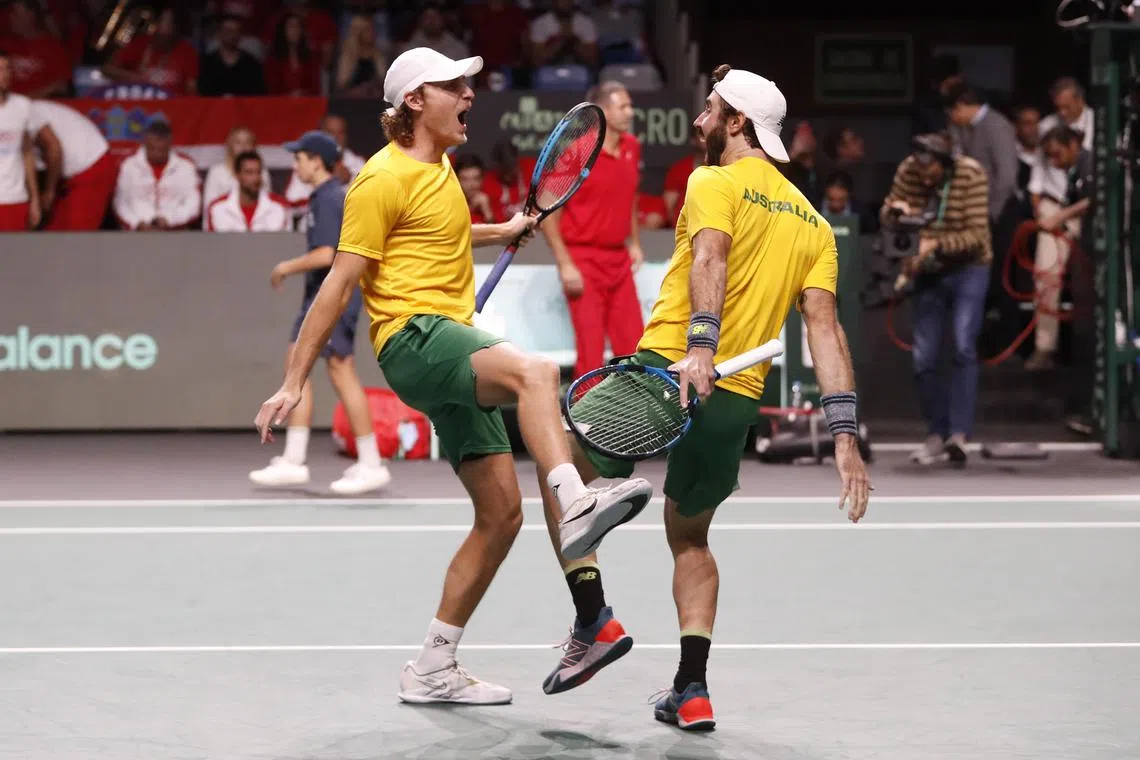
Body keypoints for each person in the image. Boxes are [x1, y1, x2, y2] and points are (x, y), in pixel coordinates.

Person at [253, 47, 654, 705]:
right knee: (535, 374)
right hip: (414, 339)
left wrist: (506, 229)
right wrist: (295, 379)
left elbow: (443, 236)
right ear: (414, 100)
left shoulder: (436, 169)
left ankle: (434, 666)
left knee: (501, 516)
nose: (470, 94)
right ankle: (579, 499)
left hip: (446, 342)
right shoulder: (378, 179)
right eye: (454, 86)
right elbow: (339, 282)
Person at [533, 64, 871, 730]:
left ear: (737, 122)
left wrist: (700, 346)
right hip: (734, 404)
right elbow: (825, 329)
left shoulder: (712, 180)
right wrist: (844, 437)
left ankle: (591, 618)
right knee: (691, 538)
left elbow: (711, 255)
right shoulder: (811, 223)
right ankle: (691, 689)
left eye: (709, 109)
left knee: (561, 476)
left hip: (669, 374)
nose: (697, 120)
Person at [248, 130, 391, 495]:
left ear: (316, 161)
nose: (295, 163)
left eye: (299, 157)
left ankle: (372, 463)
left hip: (336, 294)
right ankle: (294, 460)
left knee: (341, 372)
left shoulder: (330, 198)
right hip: (319, 295)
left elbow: (328, 254)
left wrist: (285, 267)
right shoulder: (321, 198)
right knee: (296, 363)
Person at [881, 132, 991, 465]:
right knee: (924, 357)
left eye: (932, 173)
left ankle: (958, 435)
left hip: (969, 266)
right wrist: (893, 211)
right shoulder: (908, 170)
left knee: (962, 345)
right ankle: (936, 433)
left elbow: (976, 234)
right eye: (921, 171)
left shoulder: (971, 174)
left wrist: (935, 244)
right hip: (926, 270)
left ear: (945, 165)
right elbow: (888, 219)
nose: (925, 177)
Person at [539, 80, 646, 380]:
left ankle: (633, 418)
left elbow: (630, 197)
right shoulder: (579, 151)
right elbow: (548, 209)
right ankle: (584, 422)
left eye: (630, 105)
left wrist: (634, 242)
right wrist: (565, 264)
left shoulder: (632, 147)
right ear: (604, 111)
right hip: (583, 260)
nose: (630, 112)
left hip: (619, 260)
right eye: (623, 106)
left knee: (634, 345)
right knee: (591, 351)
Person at [0, 50, 40, 231]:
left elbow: (27, 154)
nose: (5, 74)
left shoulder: (23, 106)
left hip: (15, 199)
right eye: (0, 69)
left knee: (13, 258)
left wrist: (35, 200)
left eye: (8, 69)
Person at [204, 150, 291, 232]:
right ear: (237, 175)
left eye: (258, 172)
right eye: (249, 172)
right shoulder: (217, 208)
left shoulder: (280, 207)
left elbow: (288, 244)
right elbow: (210, 245)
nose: (256, 178)